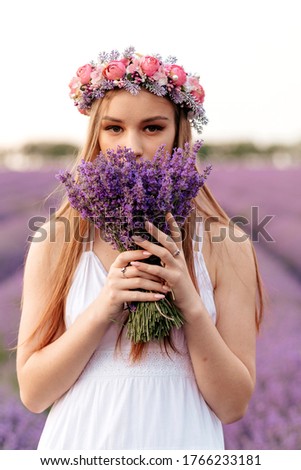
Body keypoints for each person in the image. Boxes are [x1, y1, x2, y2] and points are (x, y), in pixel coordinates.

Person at [16, 46, 264, 450]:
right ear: (95, 135)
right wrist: (104, 306)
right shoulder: (56, 242)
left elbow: (233, 404)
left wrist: (190, 303)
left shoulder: (226, 246)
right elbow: (33, 393)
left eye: (152, 128)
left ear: (180, 133)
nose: (130, 145)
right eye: (113, 128)